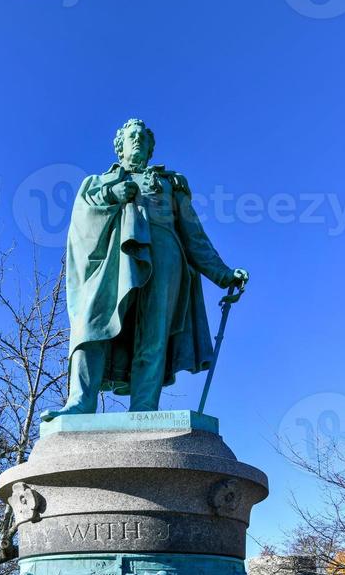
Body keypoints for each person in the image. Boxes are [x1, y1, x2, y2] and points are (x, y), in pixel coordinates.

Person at [47, 119, 250, 419]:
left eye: (143, 136)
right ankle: (81, 402)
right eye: (132, 136)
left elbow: (194, 236)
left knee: (153, 335)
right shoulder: (98, 182)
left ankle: (143, 410)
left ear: (151, 147)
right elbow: (82, 217)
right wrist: (112, 195)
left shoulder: (170, 183)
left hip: (166, 254)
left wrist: (223, 274)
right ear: (120, 146)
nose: (138, 139)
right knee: (93, 322)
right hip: (115, 256)